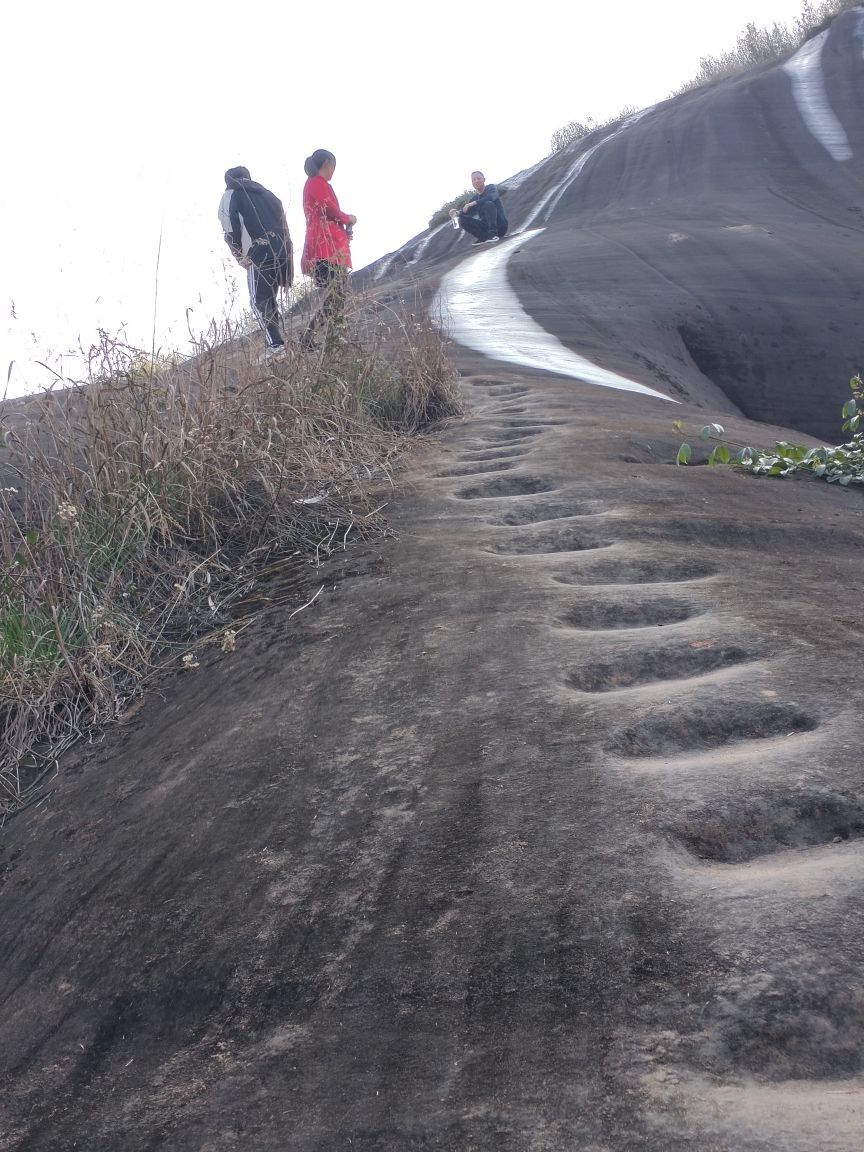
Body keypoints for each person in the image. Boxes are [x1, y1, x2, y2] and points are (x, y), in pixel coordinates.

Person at [218, 166, 293, 359]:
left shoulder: (231, 194)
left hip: (258, 254)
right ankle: (277, 343)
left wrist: (240, 256)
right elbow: (285, 226)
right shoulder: (269, 195)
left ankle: (276, 346)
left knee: (259, 301)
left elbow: (229, 228)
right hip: (282, 251)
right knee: (271, 300)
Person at [300, 149, 357, 349]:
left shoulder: (316, 184)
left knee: (337, 295)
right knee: (337, 295)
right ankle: (309, 339)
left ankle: (315, 338)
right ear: (327, 163)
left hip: (328, 246)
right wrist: (347, 218)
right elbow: (328, 208)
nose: (334, 171)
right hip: (326, 248)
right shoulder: (317, 183)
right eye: (333, 166)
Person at [452, 171, 509, 246]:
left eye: (478, 178)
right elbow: (466, 211)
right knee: (462, 219)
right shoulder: (475, 198)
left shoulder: (491, 188)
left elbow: (492, 197)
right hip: (486, 228)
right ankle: (483, 237)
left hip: (500, 226)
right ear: (472, 183)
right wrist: (456, 213)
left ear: (484, 179)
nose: (476, 181)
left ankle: (493, 235)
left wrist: (474, 203)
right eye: (474, 180)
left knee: (488, 204)